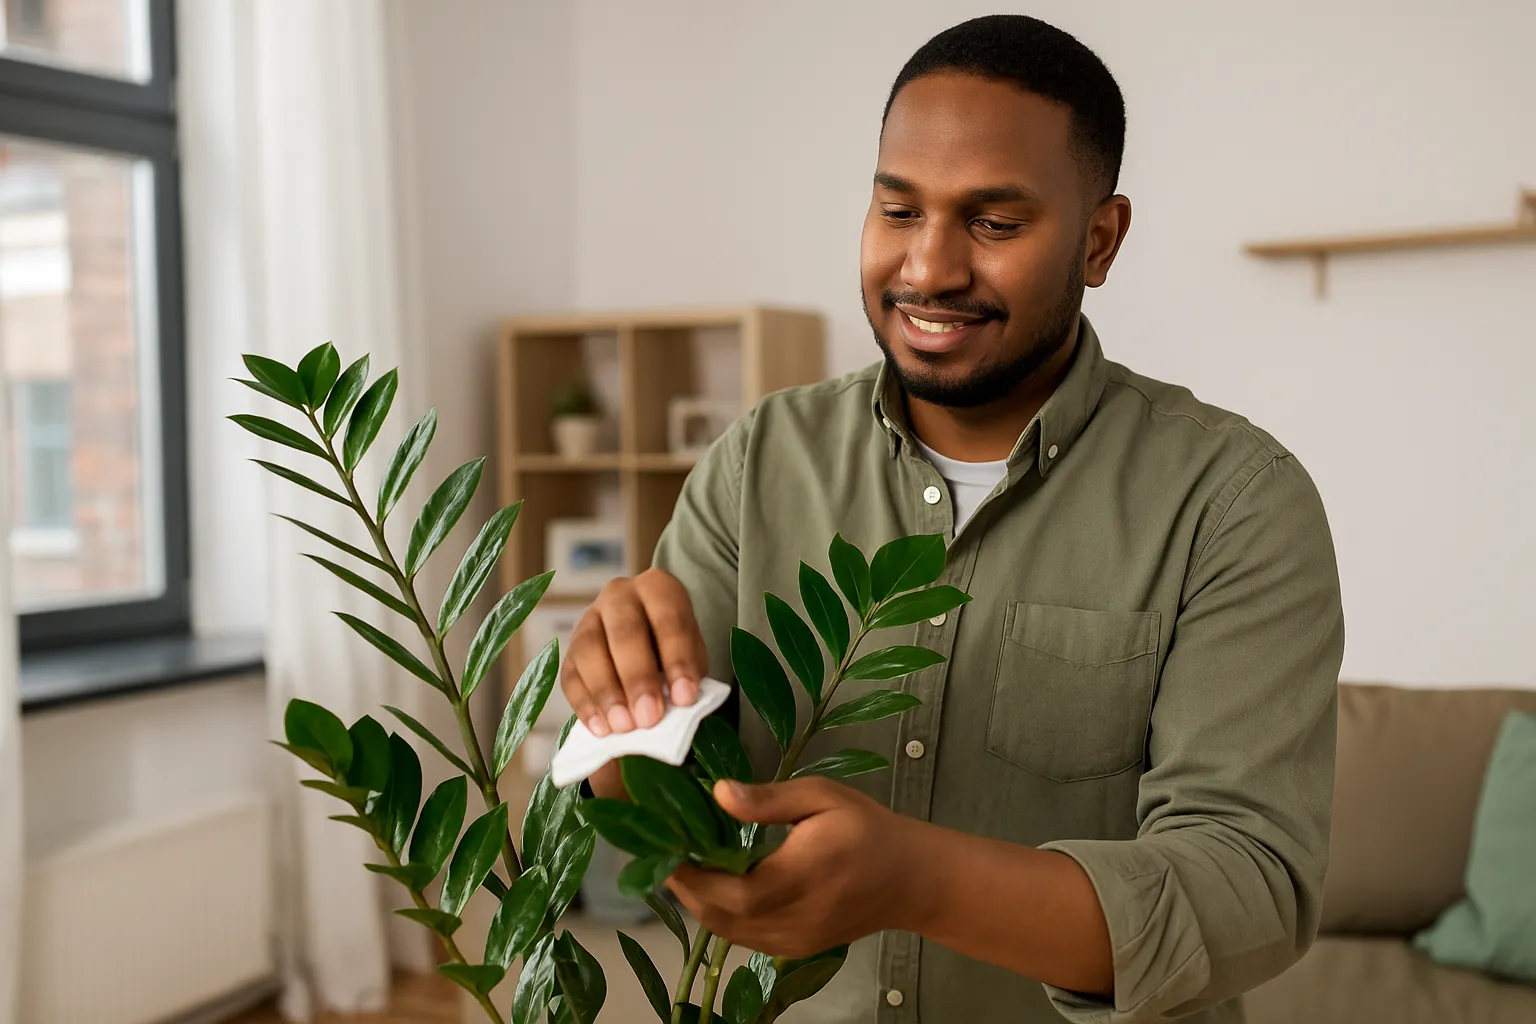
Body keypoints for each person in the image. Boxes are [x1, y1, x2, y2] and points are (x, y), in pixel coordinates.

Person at [560, 14, 1343, 1023]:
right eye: (898, 210)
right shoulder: (758, 462)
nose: (928, 269)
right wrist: (612, 709)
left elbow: (1250, 890)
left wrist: (919, 881)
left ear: (1099, 239)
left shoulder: (1235, 502)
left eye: (995, 223)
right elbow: (652, 795)